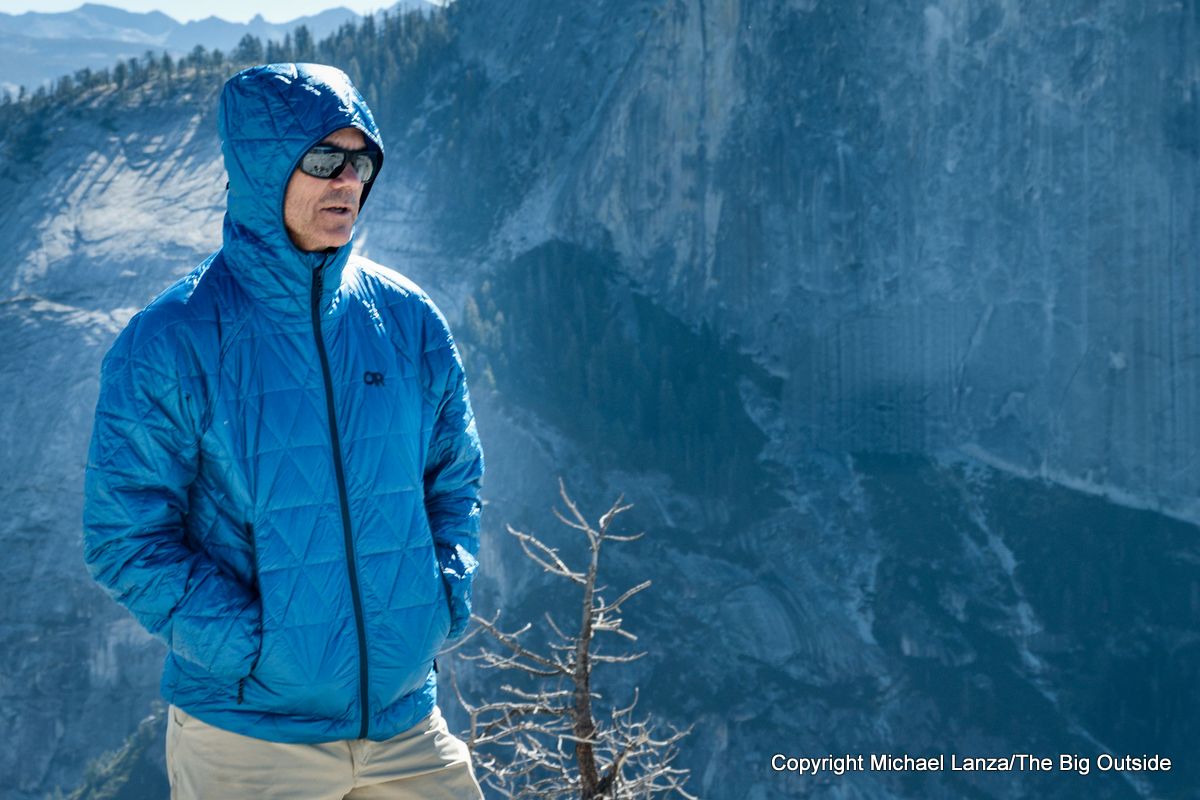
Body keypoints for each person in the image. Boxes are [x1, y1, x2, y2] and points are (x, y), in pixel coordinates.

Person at [82, 63, 485, 799]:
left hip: (405, 727)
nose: (348, 182)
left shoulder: (408, 320)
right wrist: (254, 651)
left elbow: (454, 480)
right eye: (324, 160)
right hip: (250, 739)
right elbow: (122, 535)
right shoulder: (172, 339)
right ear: (264, 168)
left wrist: (443, 599)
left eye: (361, 161)